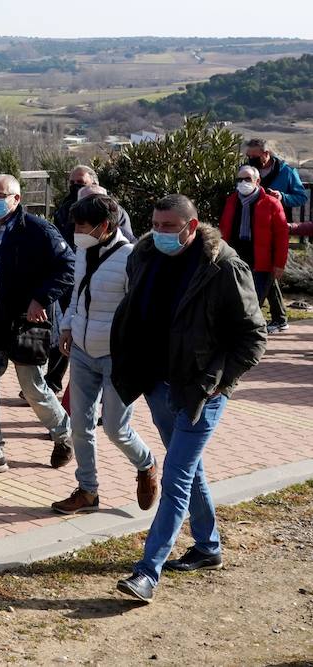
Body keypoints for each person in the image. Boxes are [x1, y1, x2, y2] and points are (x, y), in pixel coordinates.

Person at [112, 194, 267, 603]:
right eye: (155, 224)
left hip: (202, 389)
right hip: (159, 384)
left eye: (168, 226)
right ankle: (208, 545)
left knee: (177, 474)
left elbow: (254, 336)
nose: (159, 232)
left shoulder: (223, 267)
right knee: (189, 467)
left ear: (192, 226)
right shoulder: (144, 255)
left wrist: (221, 381)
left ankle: (147, 572)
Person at [0, 173, 75, 476]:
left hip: (25, 324)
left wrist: (40, 298)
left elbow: (68, 266)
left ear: (17, 198)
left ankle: (64, 434)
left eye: (1, 195)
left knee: (33, 387)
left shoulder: (38, 230)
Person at [51, 194, 157, 515]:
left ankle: (146, 463)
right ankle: (87, 491)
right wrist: (68, 327)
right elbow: (77, 296)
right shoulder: (84, 251)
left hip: (116, 357)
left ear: (105, 226)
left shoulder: (130, 257)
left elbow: (140, 311)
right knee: (79, 426)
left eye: (83, 225)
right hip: (82, 352)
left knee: (114, 428)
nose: (77, 231)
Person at [245, 138, 308, 334]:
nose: (250, 159)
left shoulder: (287, 172)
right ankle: (278, 317)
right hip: (250, 226)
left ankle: (270, 317)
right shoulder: (246, 170)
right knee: (262, 270)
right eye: (248, 156)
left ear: (267, 154)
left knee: (269, 270)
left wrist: (282, 197)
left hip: (276, 227)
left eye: (254, 156)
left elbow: (301, 197)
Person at [219, 165, 289, 327]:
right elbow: (224, 227)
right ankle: (280, 319)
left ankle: (251, 330)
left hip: (261, 256)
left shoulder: (271, 203)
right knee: (262, 287)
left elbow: (282, 236)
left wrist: (279, 263)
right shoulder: (231, 201)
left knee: (255, 295)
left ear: (257, 181)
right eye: (240, 179)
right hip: (236, 253)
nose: (243, 183)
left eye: (247, 179)